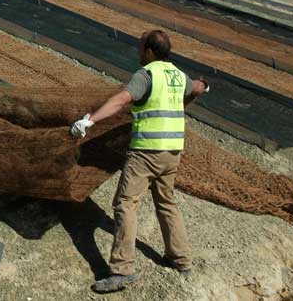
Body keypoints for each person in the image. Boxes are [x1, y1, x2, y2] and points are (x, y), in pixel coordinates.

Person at [70, 30, 209, 294]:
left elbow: (122, 99)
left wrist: (90, 120)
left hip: (147, 152)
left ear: (149, 51)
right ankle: (181, 260)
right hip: (172, 152)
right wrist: (204, 85)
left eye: (140, 47)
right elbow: (197, 88)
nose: (138, 52)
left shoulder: (146, 75)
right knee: (166, 202)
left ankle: (122, 270)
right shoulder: (178, 75)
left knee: (125, 204)